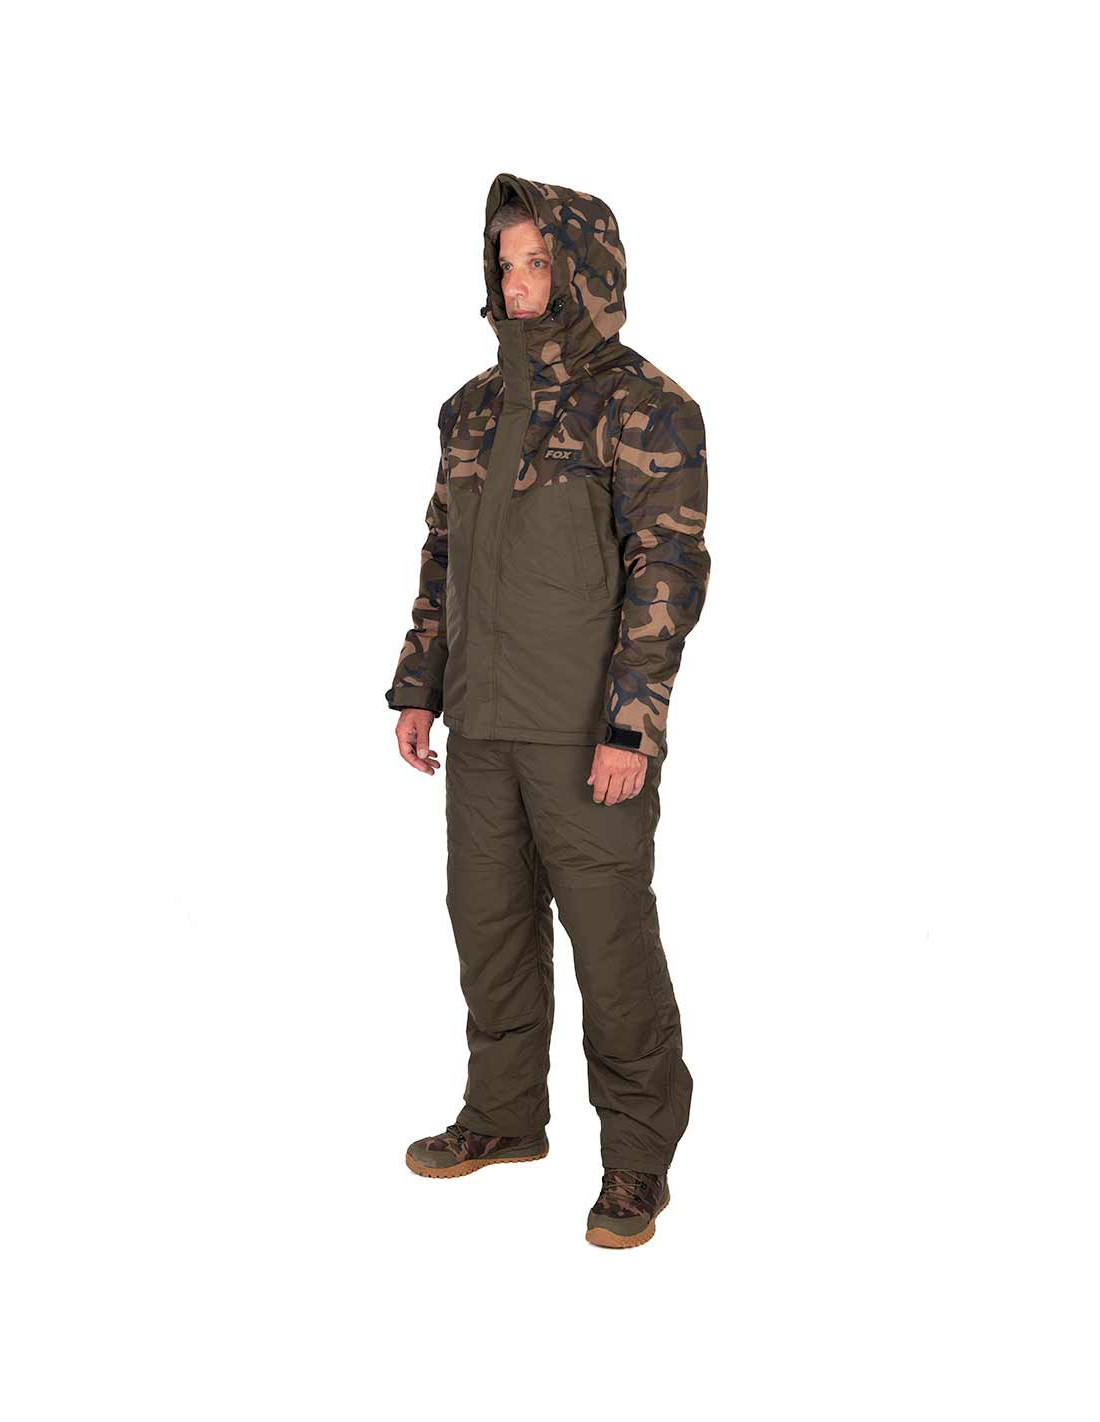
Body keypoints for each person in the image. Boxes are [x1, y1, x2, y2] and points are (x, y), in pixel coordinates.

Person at [386, 173, 710, 1248]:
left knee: (611, 947)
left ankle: (637, 1160)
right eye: (507, 263)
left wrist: (632, 724)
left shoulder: (644, 404)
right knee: (487, 929)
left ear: (582, 270)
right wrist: (419, 686)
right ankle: (503, 1116)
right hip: (481, 724)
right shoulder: (472, 408)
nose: (518, 282)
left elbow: (667, 569)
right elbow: (442, 556)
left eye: (538, 262)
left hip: (584, 733)